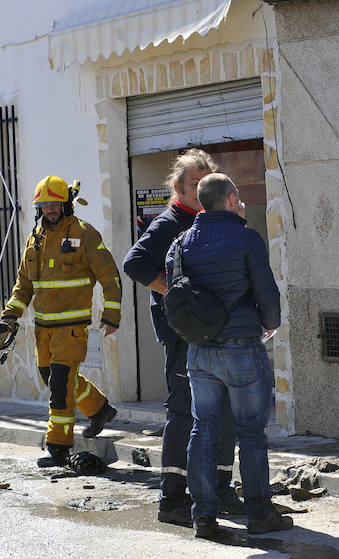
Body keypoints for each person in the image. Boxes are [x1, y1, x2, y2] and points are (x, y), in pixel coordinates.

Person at [165, 173, 291, 538]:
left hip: (199, 352)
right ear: (232, 198)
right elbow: (267, 292)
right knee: (251, 434)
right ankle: (258, 513)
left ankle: (203, 515)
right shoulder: (247, 238)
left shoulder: (182, 242)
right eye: (238, 198)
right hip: (241, 348)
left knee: (203, 430)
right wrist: (270, 325)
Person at [123, 149, 242, 526]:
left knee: (222, 409)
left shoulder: (208, 219)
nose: (201, 187)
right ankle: (172, 499)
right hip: (180, 335)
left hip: (210, 333)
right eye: (194, 182)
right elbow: (134, 263)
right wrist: (172, 296)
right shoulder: (169, 222)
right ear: (177, 187)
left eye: (206, 181)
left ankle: (221, 489)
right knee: (182, 411)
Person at [1, 175, 121, 468]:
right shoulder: (35, 238)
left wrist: (111, 315)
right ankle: (100, 409)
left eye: (54, 204)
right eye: (43, 205)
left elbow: (110, 276)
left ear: (65, 203)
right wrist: (10, 316)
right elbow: (23, 283)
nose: (49, 210)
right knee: (54, 380)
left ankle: (58, 447)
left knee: (59, 387)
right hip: (42, 330)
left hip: (71, 328)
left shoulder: (84, 233)